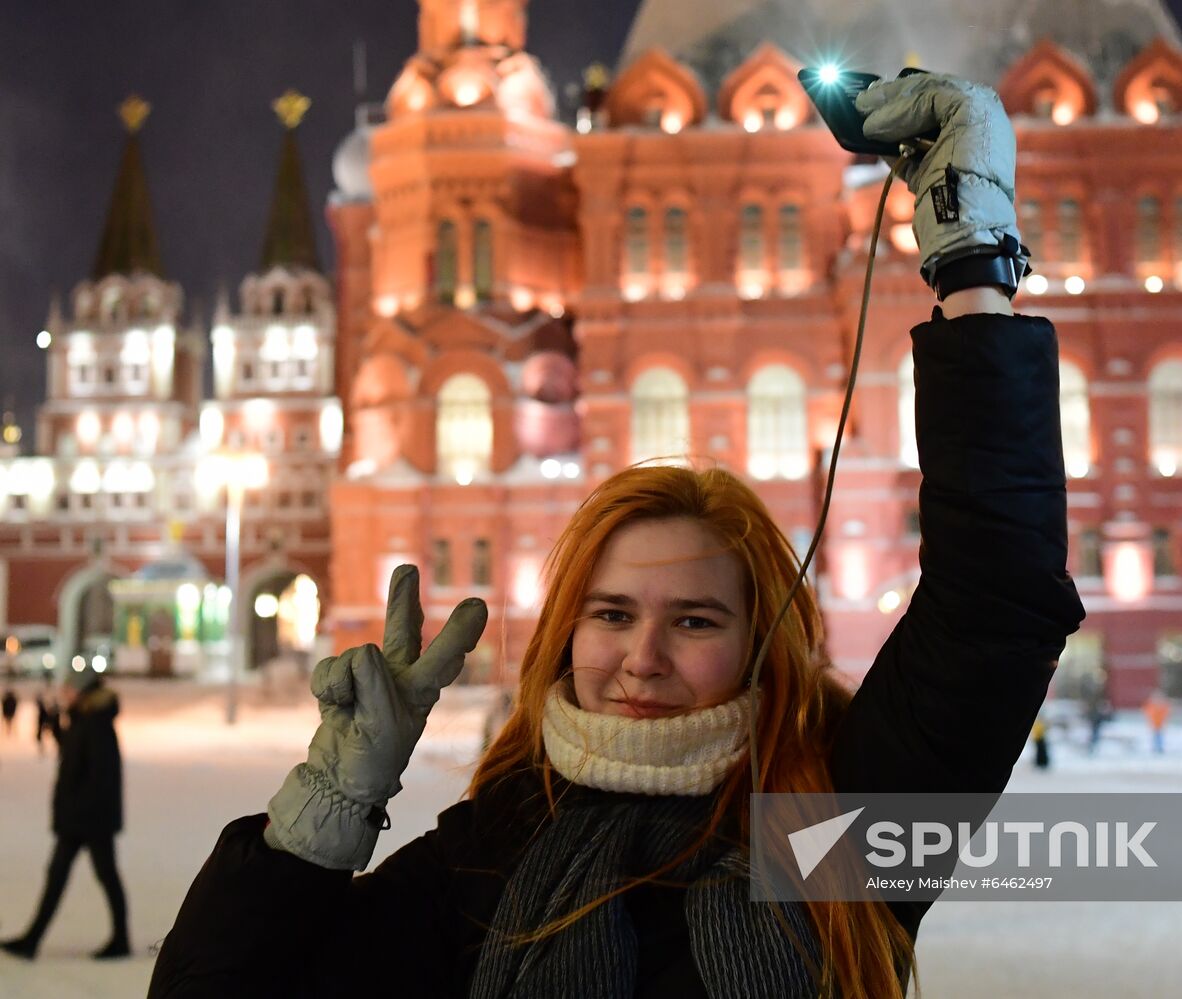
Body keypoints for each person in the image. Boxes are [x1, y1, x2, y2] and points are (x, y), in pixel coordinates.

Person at [149, 72, 1085, 998]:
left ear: (763, 641)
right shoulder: (494, 850)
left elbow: (994, 603)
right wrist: (321, 813)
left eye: (695, 620)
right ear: (567, 629)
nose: (642, 659)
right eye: (611, 612)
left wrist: (972, 264)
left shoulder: (833, 820)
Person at [1, 663, 130, 960]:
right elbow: (76, 758)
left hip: (89, 819)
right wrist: (58, 729)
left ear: (82, 691)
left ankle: (119, 940)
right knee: (63, 876)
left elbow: (99, 776)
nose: (64, 692)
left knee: (102, 876)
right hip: (81, 817)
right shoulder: (85, 719)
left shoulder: (95, 723)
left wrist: (79, 812)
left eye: (69, 688)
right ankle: (32, 939)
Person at [1144, 690, 1171, 755]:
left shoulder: (1162, 706)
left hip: (1160, 724)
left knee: (1159, 736)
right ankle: (1156, 747)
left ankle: (1159, 747)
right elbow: (1147, 711)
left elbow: (1166, 713)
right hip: (1154, 724)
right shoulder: (1152, 706)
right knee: (1155, 736)